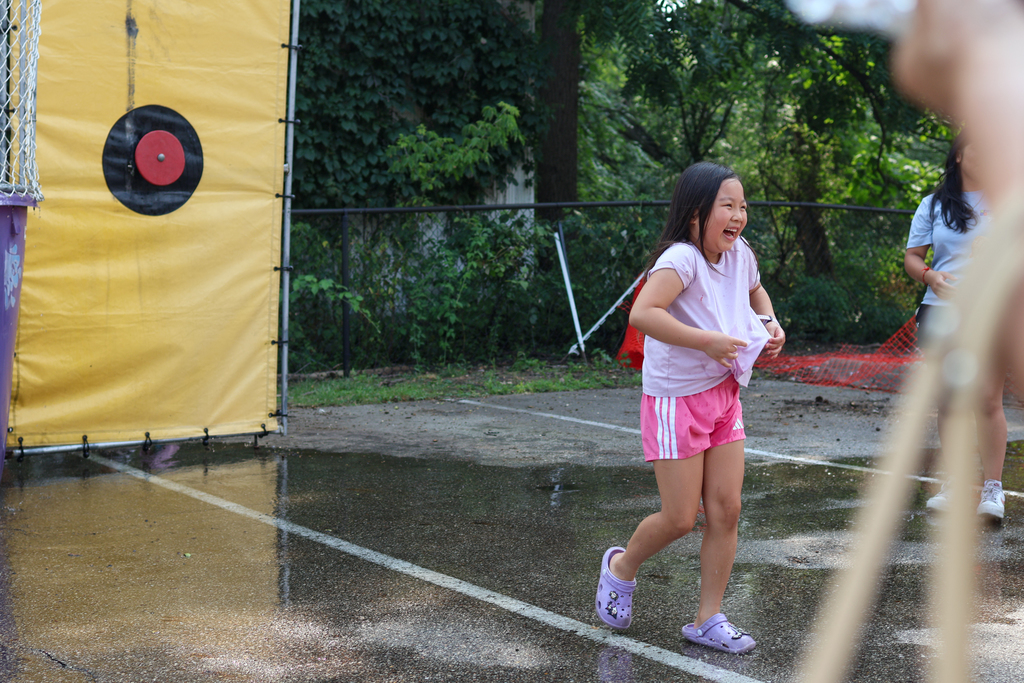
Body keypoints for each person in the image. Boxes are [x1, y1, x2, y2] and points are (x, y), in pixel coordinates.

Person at [594, 161, 785, 654]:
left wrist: (768, 320)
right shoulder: (680, 259)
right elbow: (642, 313)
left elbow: (755, 289)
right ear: (697, 211)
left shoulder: (739, 253)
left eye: (743, 206)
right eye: (728, 205)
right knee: (680, 517)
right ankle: (621, 568)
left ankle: (708, 619)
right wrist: (705, 341)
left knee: (727, 509)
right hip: (675, 401)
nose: (739, 215)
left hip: (723, 394)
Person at [903, 136, 1009, 520]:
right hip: (940, 312)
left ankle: (993, 491)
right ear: (960, 155)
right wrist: (931, 277)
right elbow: (913, 259)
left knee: (985, 399)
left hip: (990, 314)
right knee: (948, 402)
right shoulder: (933, 205)